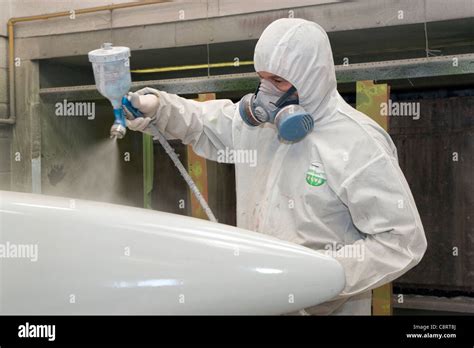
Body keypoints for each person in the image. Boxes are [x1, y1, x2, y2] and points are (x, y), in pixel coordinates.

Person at [124, 18, 427, 315]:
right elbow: (203, 123)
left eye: (278, 81)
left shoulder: (358, 143)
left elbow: (401, 240)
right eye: (263, 78)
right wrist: (159, 108)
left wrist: (323, 277)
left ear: (312, 78)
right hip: (263, 299)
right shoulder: (258, 128)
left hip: (326, 308)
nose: (266, 93)